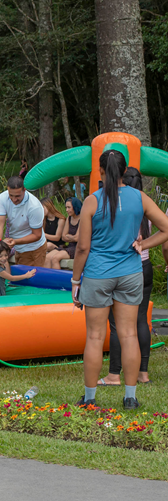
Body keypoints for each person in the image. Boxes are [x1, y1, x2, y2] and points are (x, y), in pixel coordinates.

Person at [72, 151, 168, 410]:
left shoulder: (92, 201)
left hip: (98, 274)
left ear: (100, 171)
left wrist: (75, 281)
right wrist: (143, 243)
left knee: (94, 337)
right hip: (130, 274)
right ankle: (130, 397)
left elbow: (82, 248)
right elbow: (166, 227)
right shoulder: (140, 197)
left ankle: (90, 398)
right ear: (125, 171)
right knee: (128, 335)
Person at [100, 168, 154, 387]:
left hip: (124, 267)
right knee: (141, 319)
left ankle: (114, 373)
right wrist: (144, 245)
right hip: (145, 264)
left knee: (117, 324)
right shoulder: (144, 203)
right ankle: (143, 373)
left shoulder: (120, 204)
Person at [0, 176, 47, 267]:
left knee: (30, 278)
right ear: (8, 190)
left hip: (34, 248)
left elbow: (37, 235)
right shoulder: (2, 198)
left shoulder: (34, 206)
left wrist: (15, 241)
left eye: (18, 196)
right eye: (11, 195)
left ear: (24, 190)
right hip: (18, 246)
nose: (14, 199)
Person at [44, 197, 82, 269]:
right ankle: (47, 278)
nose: (67, 210)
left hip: (77, 248)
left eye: (69, 207)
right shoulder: (69, 218)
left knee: (55, 258)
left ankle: (56, 279)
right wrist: (72, 237)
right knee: (47, 257)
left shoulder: (82, 218)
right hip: (68, 247)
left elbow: (77, 238)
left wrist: (70, 237)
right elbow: (63, 237)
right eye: (66, 207)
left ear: (75, 207)